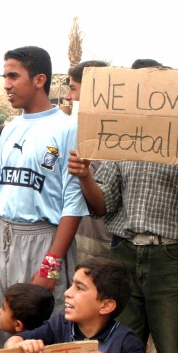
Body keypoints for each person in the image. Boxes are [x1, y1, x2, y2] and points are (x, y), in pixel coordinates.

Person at [0, 46, 88, 348]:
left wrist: (50, 266)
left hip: (42, 240)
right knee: (0, 325)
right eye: (5, 76)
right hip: (0, 236)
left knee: (40, 334)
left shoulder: (67, 128)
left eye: (13, 76)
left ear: (39, 80)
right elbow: (0, 191)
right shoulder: (10, 128)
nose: (6, 84)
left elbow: (73, 204)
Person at [68, 140, 178, 353]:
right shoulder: (126, 141)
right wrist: (85, 177)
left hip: (172, 256)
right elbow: (101, 206)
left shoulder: (176, 139)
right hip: (124, 253)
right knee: (114, 345)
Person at [5, 258, 162, 353]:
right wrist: (21, 346)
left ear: (106, 306)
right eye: (72, 284)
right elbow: (12, 342)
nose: (67, 292)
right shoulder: (59, 326)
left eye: (79, 288)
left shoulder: (125, 341)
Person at [64, 60, 112, 263]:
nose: (68, 96)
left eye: (73, 89)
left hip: (100, 241)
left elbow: (102, 205)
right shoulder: (71, 132)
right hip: (71, 236)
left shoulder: (117, 140)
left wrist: (85, 176)